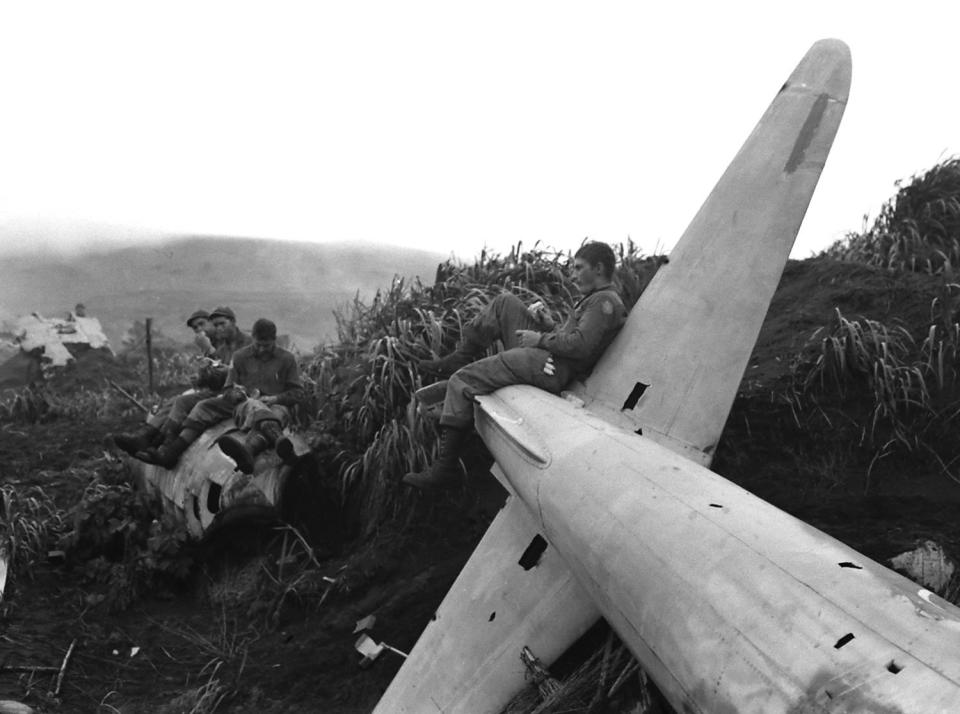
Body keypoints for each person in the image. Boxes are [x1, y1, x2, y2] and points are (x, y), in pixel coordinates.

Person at [404, 242, 627, 492]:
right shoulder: (597, 298)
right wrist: (548, 325)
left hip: (550, 367)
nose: (573, 275)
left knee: (462, 380)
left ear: (598, 268)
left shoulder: (603, 303)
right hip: (549, 356)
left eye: (578, 268)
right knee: (505, 302)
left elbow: (581, 346)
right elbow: (577, 340)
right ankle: (460, 355)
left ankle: (444, 469)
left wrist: (540, 339)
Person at [137, 318, 303, 472]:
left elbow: (297, 393)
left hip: (274, 405)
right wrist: (235, 393)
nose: (261, 349)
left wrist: (275, 398)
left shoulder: (286, 359)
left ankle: (255, 449)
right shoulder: (240, 356)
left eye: (266, 345)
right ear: (253, 339)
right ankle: (172, 451)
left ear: (274, 341)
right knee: (203, 406)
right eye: (258, 344)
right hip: (241, 402)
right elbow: (228, 387)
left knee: (259, 407)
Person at [111, 307, 247, 457]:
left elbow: (237, 373)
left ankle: (159, 444)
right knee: (175, 401)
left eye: (203, 324)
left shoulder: (239, 343)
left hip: (236, 394)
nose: (200, 330)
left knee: (184, 402)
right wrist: (202, 377)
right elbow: (216, 377)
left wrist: (210, 355)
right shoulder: (219, 345)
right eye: (196, 328)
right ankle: (147, 437)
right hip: (220, 391)